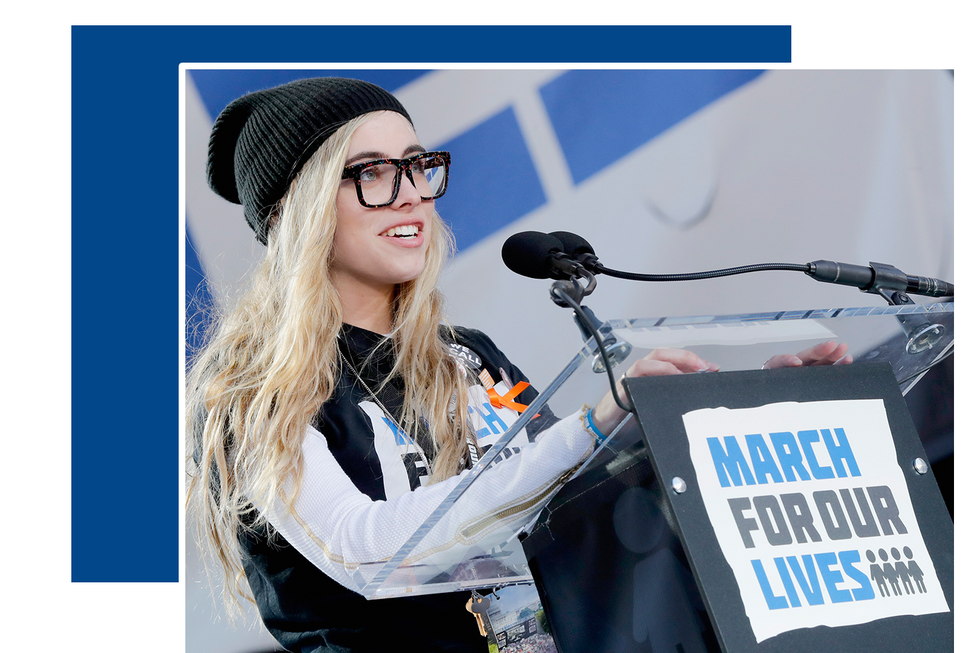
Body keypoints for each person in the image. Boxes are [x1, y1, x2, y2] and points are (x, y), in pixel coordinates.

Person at [186, 77, 852, 653]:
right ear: (293, 211)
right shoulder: (254, 392)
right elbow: (369, 551)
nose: (411, 194)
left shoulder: (465, 352)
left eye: (417, 166)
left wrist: (752, 413)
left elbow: (575, 503)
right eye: (371, 173)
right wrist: (591, 425)